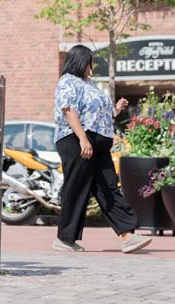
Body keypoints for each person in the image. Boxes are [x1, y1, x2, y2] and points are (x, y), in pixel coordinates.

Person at [53, 44, 153, 254]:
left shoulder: (89, 84)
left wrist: (116, 109)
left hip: (97, 144)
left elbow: (99, 115)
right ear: (81, 61)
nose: (92, 66)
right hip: (76, 141)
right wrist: (83, 139)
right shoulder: (67, 82)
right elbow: (69, 110)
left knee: (108, 187)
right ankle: (65, 239)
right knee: (77, 188)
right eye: (90, 62)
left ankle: (128, 235)